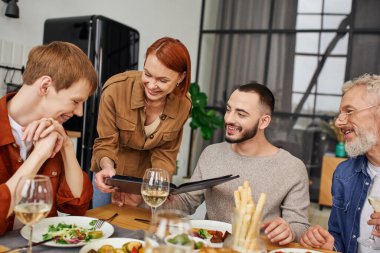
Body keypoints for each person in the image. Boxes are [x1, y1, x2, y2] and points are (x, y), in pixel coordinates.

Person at [164, 82, 310, 245]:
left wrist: (289, 230)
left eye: (241, 114)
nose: (229, 119)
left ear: (264, 121)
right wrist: (159, 198)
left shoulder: (292, 167)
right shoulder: (211, 154)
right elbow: (186, 202)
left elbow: (300, 225)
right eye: (228, 110)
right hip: (211, 247)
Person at [0, 41, 98, 235]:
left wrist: (67, 147)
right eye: (75, 101)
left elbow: (76, 206)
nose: (79, 112)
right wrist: (39, 156)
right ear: (45, 86)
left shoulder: (53, 130)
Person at [91, 37, 192, 208]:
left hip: (147, 182)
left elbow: (165, 154)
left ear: (181, 77)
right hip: (110, 175)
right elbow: (106, 142)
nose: (152, 85)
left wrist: (150, 187)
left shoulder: (183, 105)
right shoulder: (116, 90)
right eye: (147, 74)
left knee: (138, 232)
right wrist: (108, 169)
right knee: (101, 228)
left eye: (163, 80)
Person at [300, 74, 380, 253]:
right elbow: (340, 241)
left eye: (349, 111)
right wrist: (330, 245)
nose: (338, 122)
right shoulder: (344, 174)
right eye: (340, 113)